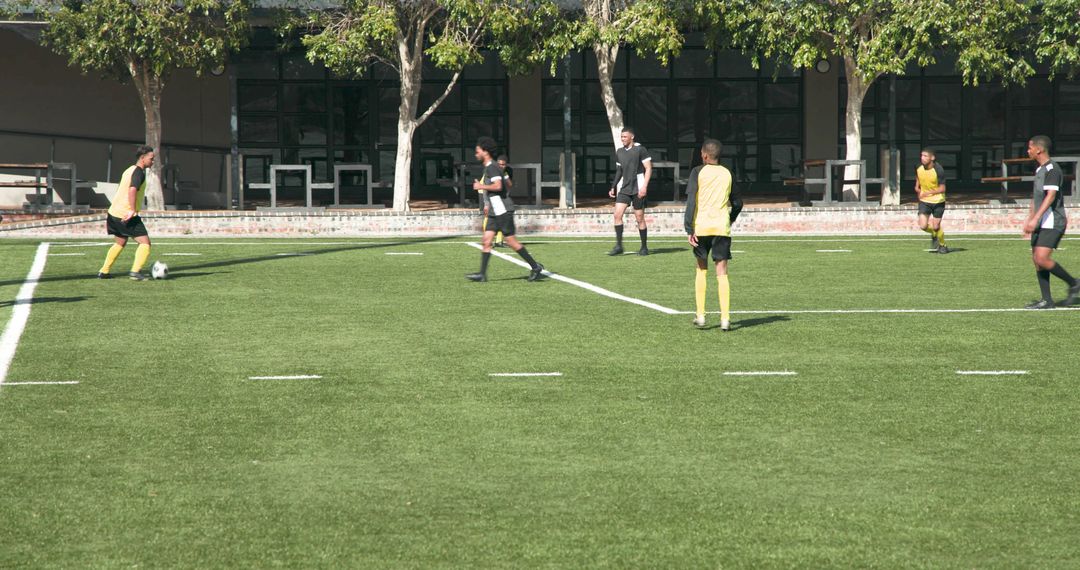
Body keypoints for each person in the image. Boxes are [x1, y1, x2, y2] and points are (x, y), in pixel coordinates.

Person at [466, 137, 545, 283]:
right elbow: (503, 186)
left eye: (477, 151)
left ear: (485, 151)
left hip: (503, 210)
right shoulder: (490, 166)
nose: (475, 154)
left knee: (511, 242)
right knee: (487, 240)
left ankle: (535, 266)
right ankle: (482, 274)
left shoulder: (492, 167)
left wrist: (481, 187)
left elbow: (498, 186)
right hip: (494, 211)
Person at [684, 139, 742, 331]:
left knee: (701, 269)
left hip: (701, 227)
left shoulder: (697, 172)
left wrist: (688, 228)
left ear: (705, 155)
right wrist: (731, 218)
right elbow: (738, 202)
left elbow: (691, 200)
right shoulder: (728, 173)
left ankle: (700, 315)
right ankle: (725, 318)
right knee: (722, 272)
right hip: (721, 228)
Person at [1023, 135, 1080, 309]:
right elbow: (1037, 197)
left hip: (1053, 221)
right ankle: (1047, 300)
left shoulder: (1052, 170)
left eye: (1030, 148)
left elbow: (1050, 197)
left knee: (1042, 258)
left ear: (1039, 149)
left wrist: (1036, 219)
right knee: (1036, 259)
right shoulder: (1040, 170)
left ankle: (1074, 282)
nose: (1028, 151)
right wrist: (1029, 219)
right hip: (1040, 221)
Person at [98, 145, 155, 280]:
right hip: (126, 214)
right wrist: (132, 210)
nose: (153, 161)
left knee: (120, 242)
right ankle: (135, 272)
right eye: (151, 159)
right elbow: (132, 190)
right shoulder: (139, 172)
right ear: (142, 158)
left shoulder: (129, 170)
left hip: (114, 212)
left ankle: (104, 271)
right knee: (145, 243)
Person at [608, 127, 652, 256]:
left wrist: (644, 187)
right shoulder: (620, 152)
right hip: (625, 190)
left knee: (639, 218)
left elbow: (648, 168)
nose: (622, 139)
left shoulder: (640, 150)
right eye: (621, 137)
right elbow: (619, 171)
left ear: (632, 137)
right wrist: (613, 186)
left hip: (638, 189)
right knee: (617, 215)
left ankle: (644, 247)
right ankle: (619, 246)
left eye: (625, 137)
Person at [915, 148, 949, 254]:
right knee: (923, 226)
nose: (922, 158)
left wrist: (927, 193)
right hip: (925, 201)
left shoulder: (939, 170)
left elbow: (942, 188)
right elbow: (918, 183)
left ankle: (943, 245)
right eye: (921, 155)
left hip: (938, 201)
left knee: (936, 226)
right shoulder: (918, 168)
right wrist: (918, 190)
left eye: (925, 156)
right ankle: (934, 234)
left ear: (932, 158)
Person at [492, 154, 512, 248]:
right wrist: (486, 202)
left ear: (506, 165)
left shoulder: (504, 173)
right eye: (499, 164)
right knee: (489, 218)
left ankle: (498, 241)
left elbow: (509, 184)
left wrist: (506, 194)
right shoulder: (492, 171)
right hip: (485, 195)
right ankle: (488, 239)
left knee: (501, 217)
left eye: (503, 165)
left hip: (497, 196)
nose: (501, 166)